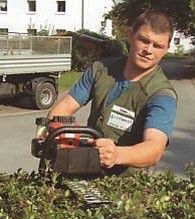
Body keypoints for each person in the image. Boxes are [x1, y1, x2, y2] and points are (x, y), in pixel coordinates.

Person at [47, 10, 178, 176]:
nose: (148, 50)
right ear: (131, 35)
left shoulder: (162, 95)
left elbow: (154, 149)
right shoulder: (100, 70)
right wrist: (65, 137)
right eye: (144, 40)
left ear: (166, 49)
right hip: (83, 170)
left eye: (158, 46)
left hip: (123, 189)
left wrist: (117, 155)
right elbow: (61, 111)